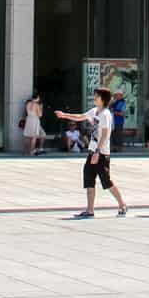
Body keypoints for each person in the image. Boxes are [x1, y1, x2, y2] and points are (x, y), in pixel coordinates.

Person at [57, 88, 128, 219]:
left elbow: (106, 134)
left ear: (103, 99)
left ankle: (122, 204)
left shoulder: (106, 114)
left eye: (96, 96)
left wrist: (97, 151)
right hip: (92, 151)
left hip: (101, 153)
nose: (94, 98)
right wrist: (64, 115)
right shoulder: (95, 111)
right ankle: (90, 210)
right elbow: (81, 116)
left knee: (106, 181)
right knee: (89, 180)